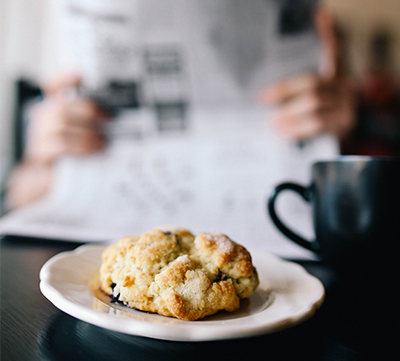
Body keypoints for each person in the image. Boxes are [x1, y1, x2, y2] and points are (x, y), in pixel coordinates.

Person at [5, 3, 356, 210]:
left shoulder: (323, 71)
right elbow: (16, 207)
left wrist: (343, 140)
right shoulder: (64, 87)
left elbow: (362, 219)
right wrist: (40, 161)